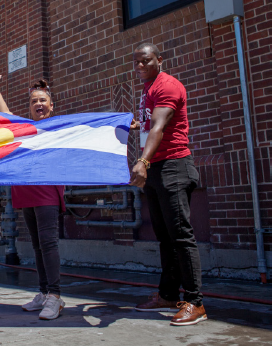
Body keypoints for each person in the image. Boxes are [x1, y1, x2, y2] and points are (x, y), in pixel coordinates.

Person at [128, 42, 205, 326]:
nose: (140, 66)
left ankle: (195, 302)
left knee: (181, 236)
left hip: (173, 166)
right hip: (158, 169)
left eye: (145, 61)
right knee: (165, 238)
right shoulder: (148, 88)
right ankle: (169, 295)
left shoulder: (167, 86)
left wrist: (143, 162)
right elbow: (151, 124)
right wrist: (139, 126)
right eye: (136, 62)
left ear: (159, 60)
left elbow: (159, 127)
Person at [0, 73, 68, 320]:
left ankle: (55, 296)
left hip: (47, 194)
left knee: (48, 244)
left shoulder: (58, 127)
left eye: (43, 100)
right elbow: (5, 117)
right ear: (30, 107)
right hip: (26, 193)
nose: (38, 104)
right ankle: (43, 293)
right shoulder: (24, 129)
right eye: (34, 102)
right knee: (38, 246)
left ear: (51, 105)